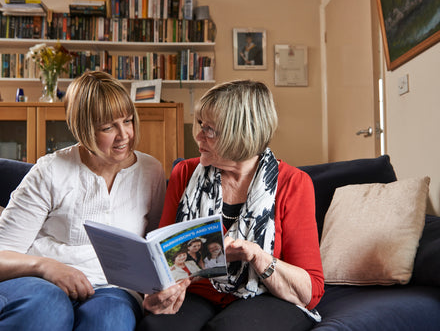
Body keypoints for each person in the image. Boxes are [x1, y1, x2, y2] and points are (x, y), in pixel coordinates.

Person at [0, 71, 166, 331]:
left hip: (111, 290)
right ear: (82, 128)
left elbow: (153, 250)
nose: (124, 135)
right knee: (48, 308)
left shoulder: (151, 170)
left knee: (111, 319)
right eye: (108, 127)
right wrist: (47, 267)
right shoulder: (51, 170)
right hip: (35, 285)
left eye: (127, 121)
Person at [137, 80, 324, 331]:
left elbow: (310, 291)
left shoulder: (293, 183)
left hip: (264, 295)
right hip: (197, 293)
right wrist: (157, 293)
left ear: (241, 134)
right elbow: (162, 261)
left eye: (210, 130)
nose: (198, 136)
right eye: (200, 125)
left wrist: (257, 256)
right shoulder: (185, 173)